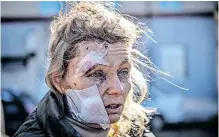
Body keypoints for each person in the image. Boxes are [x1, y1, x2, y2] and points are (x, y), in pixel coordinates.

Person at [13, 2, 157, 137]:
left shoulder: (136, 129)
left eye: (123, 72)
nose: (117, 89)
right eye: (97, 74)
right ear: (59, 82)